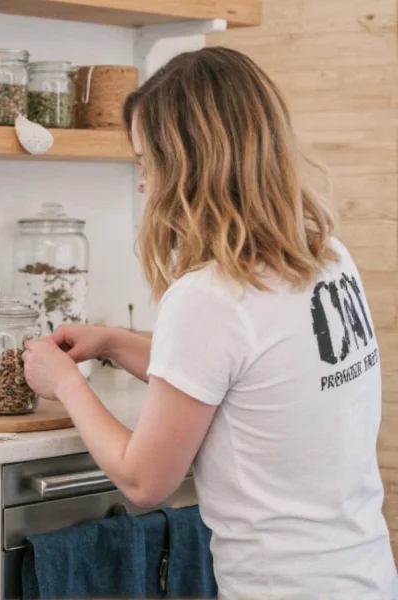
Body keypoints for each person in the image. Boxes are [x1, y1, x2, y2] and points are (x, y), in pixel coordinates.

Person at [22, 46, 398, 599]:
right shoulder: (326, 257)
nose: (142, 186)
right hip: (363, 576)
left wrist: (66, 385)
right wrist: (112, 341)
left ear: (192, 165)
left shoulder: (209, 297)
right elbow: (248, 380)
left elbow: (144, 481)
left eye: (148, 163)